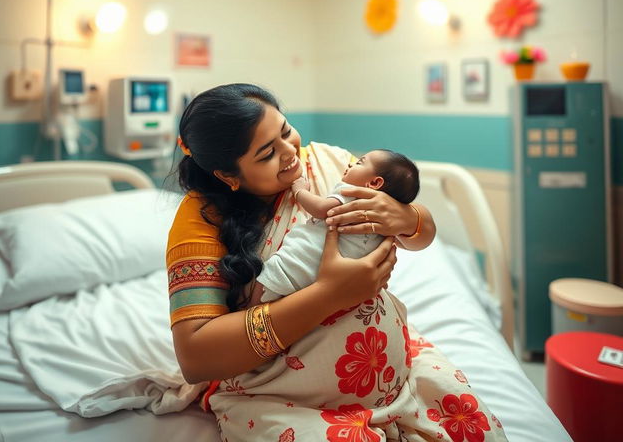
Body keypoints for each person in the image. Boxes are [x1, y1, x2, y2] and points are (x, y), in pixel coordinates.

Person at [167, 83, 507, 441]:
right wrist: (331, 294)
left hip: (398, 376)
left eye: (286, 131)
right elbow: (196, 357)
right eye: (267, 153)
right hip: (285, 400)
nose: (290, 152)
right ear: (227, 175)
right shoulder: (200, 218)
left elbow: (421, 236)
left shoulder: (330, 164)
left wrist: (408, 218)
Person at [255, 150, 421, 302]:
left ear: (374, 183)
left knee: (257, 295)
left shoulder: (352, 193)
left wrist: (300, 191)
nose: (350, 163)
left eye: (360, 162)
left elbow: (321, 209)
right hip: (332, 281)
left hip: (297, 266)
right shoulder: (383, 225)